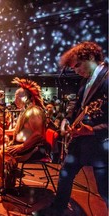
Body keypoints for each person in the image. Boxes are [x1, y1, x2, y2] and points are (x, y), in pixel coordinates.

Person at [35, 41, 108, 215]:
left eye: (77, 66)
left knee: (105, 189)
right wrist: (66, 120)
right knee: (65, 175)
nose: (76, 71)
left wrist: (93, 130)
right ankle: (58, 209)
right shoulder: (86, 80)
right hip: (79, 141)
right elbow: (78, 104)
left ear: (91, 57)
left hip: (100, 145)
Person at [0, 78, 46, 187]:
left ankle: (7, 184)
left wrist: (22, 147)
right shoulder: (26, 111)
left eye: (16, 96)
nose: (14, 100)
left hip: (32, 149)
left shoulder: (34, 111)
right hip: (26, 146)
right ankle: (3, 179)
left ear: (25, 98)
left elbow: (38, 134)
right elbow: (19, 131)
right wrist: (4, 131)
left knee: (3, 153)